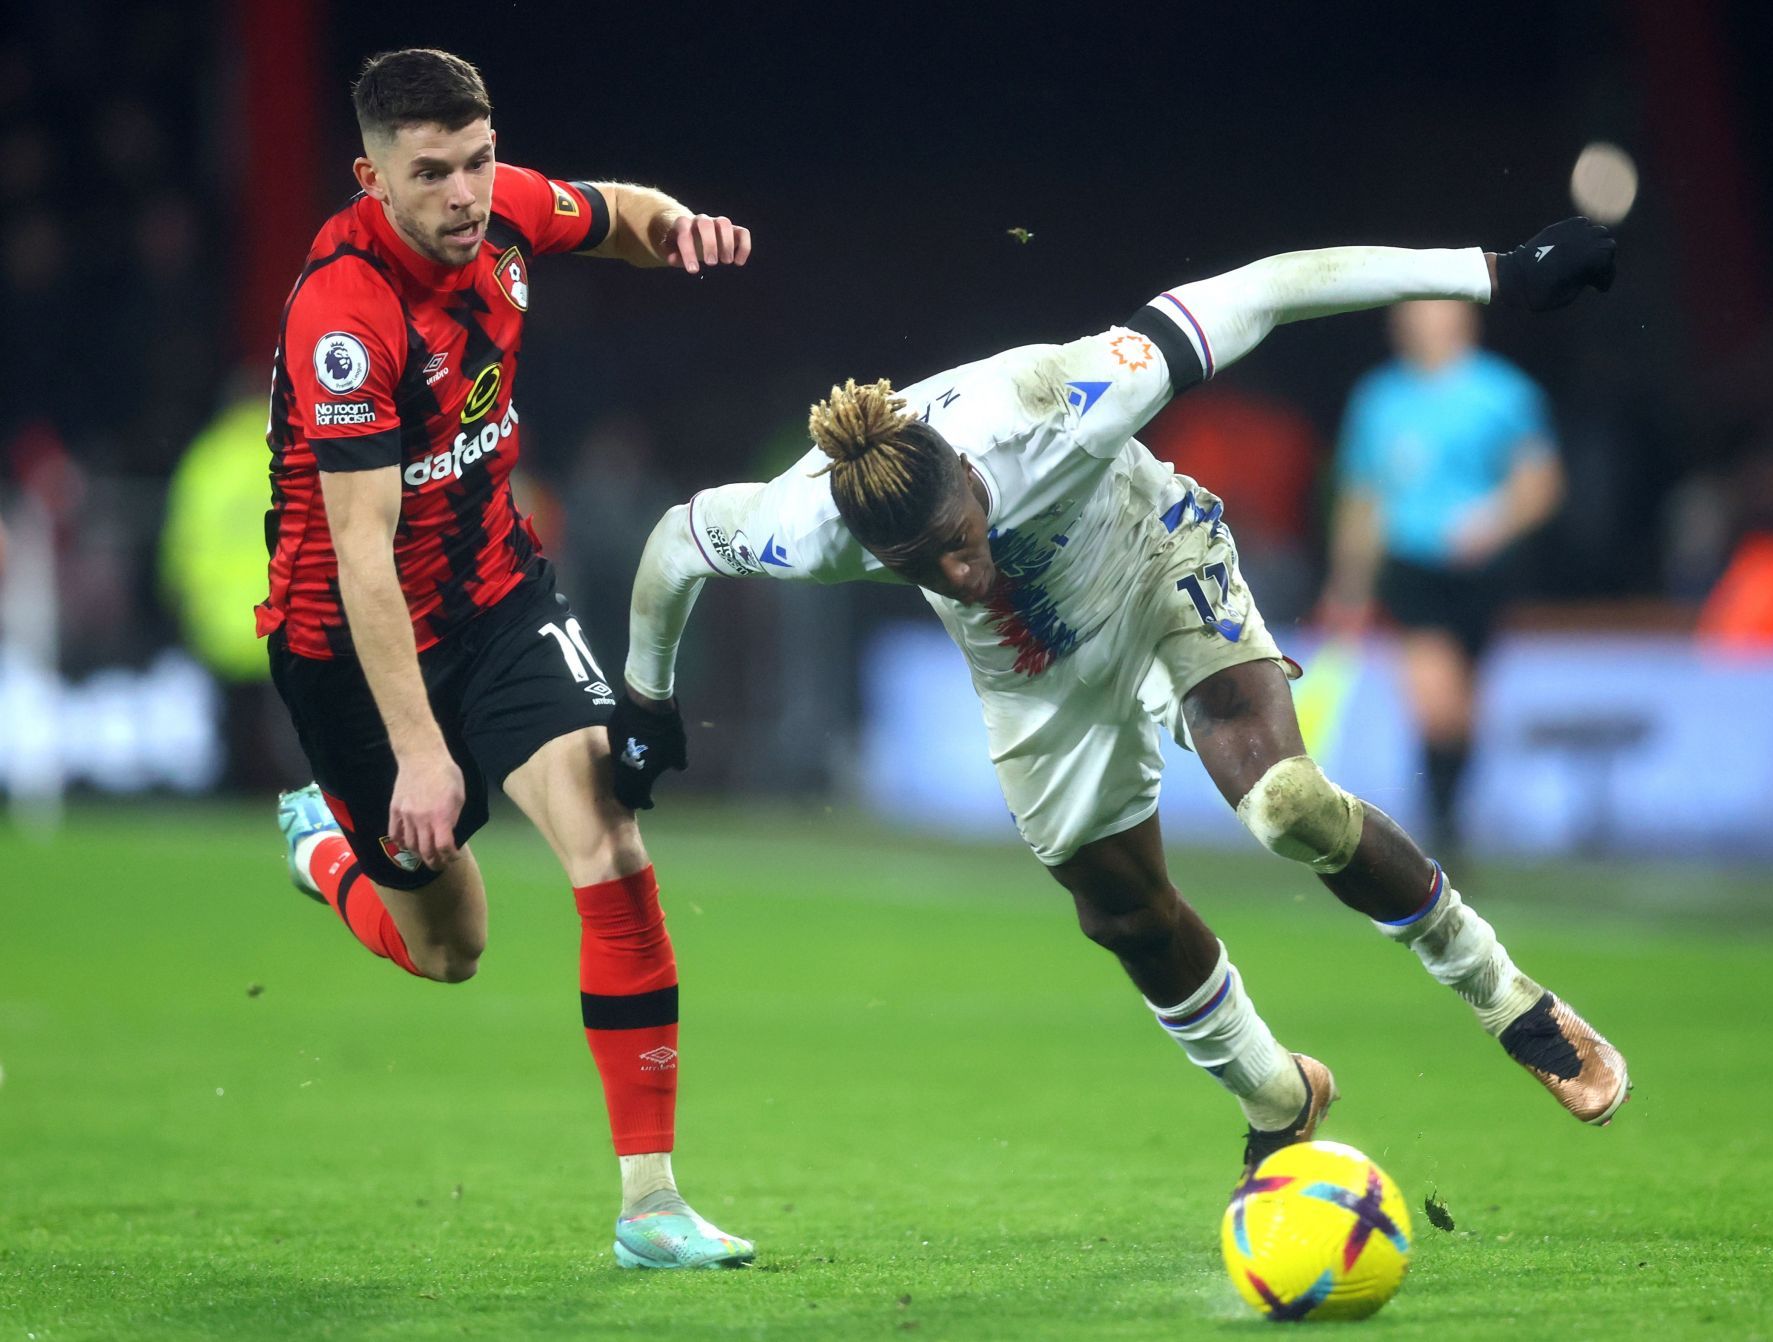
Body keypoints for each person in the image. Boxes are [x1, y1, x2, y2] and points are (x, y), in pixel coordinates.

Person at [613, 220, 1629, 1176]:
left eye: (962, 539)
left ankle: (1510, 999)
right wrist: (647, 698)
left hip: (1152, 557)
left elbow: (1267, 290)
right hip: (1031, 664)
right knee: (1124, 915)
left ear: (972, 475)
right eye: (922, 567)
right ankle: (1279, 1100)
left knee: (1285, 802)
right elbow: (675, 544)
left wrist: (1494, 268)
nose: (961, 573)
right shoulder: (809, 526)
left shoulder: (1060, 402)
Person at [255, 49, 754, 1270]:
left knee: (609, 839)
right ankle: (329, 848)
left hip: (493, 599)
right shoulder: (343, 312)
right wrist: (420, 752)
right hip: (351, 651)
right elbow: (362, 555)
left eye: (477, 160)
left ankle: (651, 1206)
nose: (466, 194)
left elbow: (614, 213)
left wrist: (679, 228)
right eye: (431, 173)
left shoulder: (505, 209)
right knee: (453, 947)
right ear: (369, 175)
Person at [1320, 299, 1566, 851]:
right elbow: (1362, 498)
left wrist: (1495, 520)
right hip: (1412, 567)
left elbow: (1541, 483)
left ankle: (1448, 815)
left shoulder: (1504, 393)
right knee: (1433, 698)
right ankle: (1438, 825)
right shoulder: (1379, 398)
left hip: (1483, 574)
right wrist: (1349, 583)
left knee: (1462, 709)